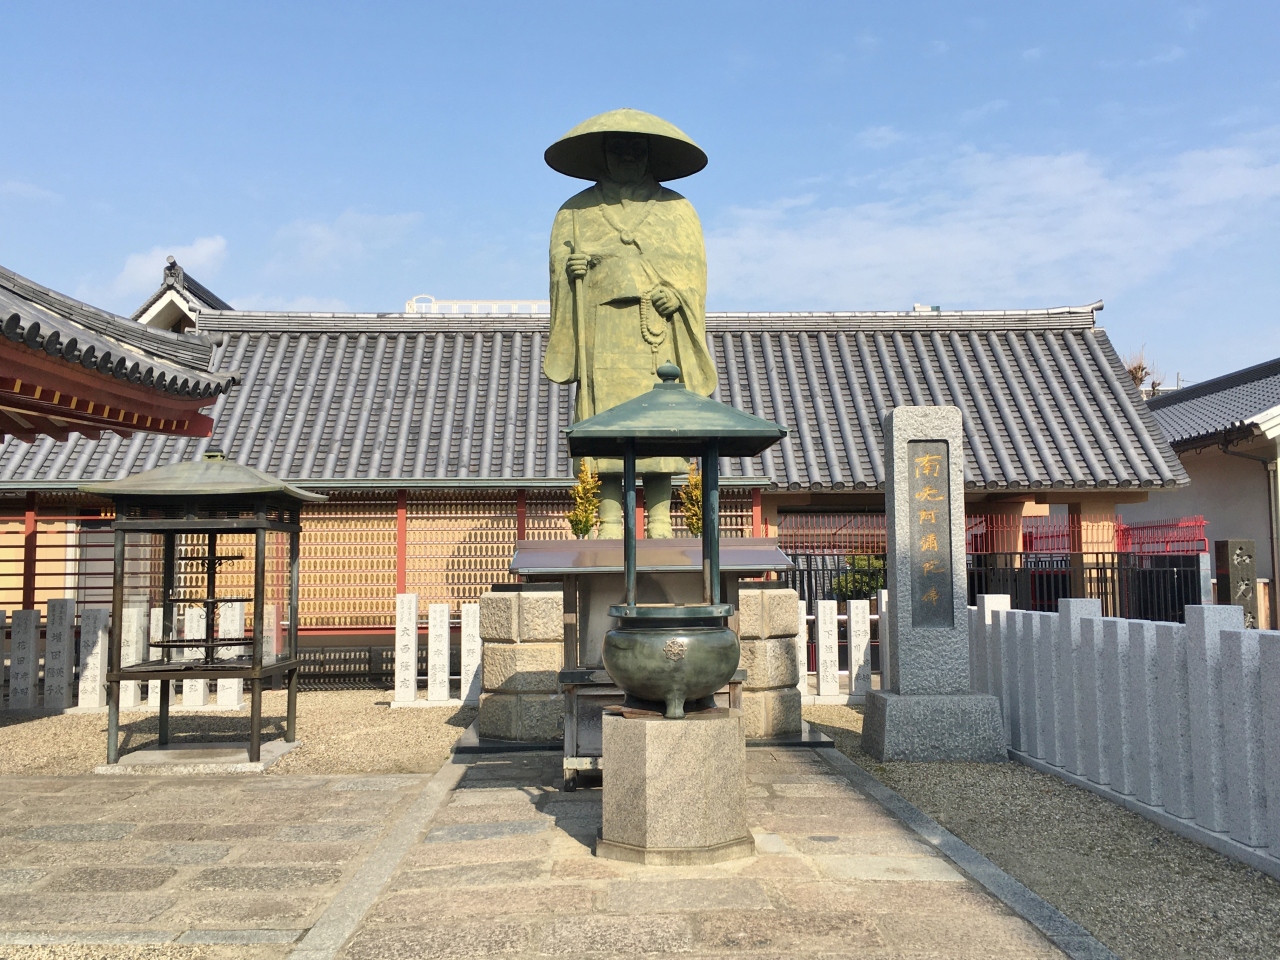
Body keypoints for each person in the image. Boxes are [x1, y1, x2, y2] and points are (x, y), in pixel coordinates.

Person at [544, 109, 717, 537]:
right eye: (617, 148)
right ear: (602, 154)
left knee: (660, 423)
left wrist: (678, 295)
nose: (627, 156)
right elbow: (559, 272)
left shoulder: (676, 209)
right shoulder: (575, 211)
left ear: (650, 154)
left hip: (656, 331)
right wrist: (572, 271)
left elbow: (693, 273)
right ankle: (608, 520)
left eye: (636, 148)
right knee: (605, 422)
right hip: (602, 331)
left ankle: (659, 520)